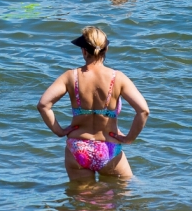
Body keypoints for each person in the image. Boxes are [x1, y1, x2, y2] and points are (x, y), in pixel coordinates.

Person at [37, 27, 149, 180]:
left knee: (81, 200)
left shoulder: (71, 76)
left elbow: (43, 105)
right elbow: (143, 111)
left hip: (78, 148)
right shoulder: (118, 78)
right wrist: (129, 138)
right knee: (122, 196)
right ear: (106, 49)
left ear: (84, 51)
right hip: (108, 149)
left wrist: (59, 131)